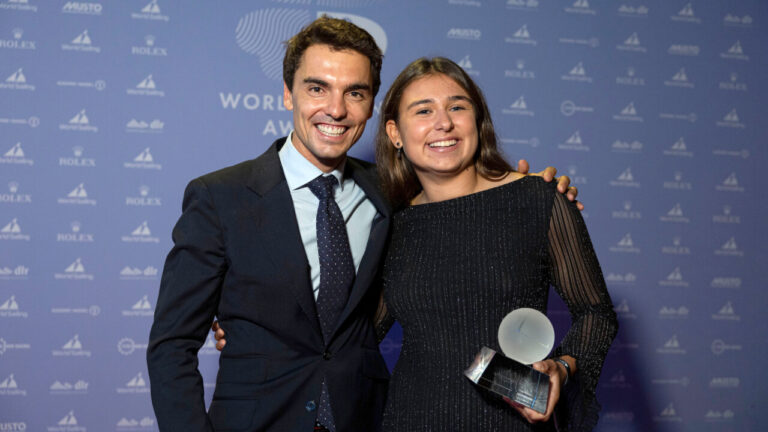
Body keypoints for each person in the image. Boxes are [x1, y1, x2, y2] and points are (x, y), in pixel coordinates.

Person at [151, 17, 575, 432]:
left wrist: (527, 188)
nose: (336, 109)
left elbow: (458, 207)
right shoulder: (220, 196)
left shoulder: (391, 195)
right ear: (287, 94)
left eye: (355, 92)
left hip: (367, 418)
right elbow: (172, 345)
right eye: (317, 88)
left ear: (372, 104)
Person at [372, 57, 618, 431]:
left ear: (477, 120)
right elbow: (356, 337)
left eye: (457, 106)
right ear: (395, 133)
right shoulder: (392, 226)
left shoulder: (537, 199)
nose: (444, 123)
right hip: (410, 419)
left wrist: (563, 368)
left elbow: (596, 312)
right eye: (424, 110)